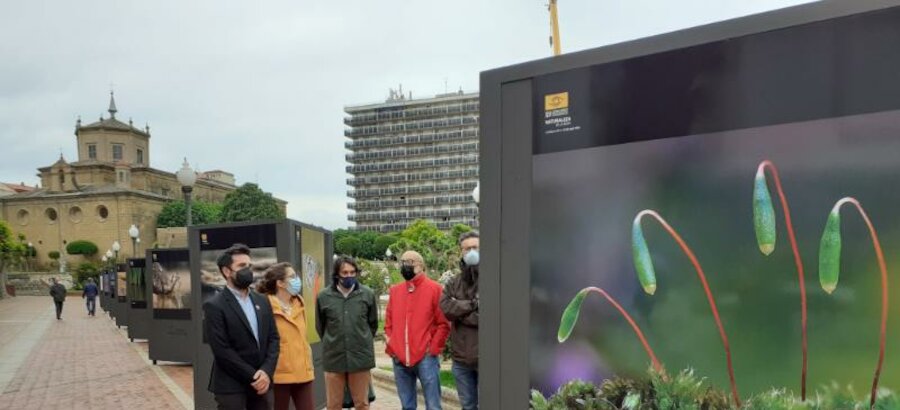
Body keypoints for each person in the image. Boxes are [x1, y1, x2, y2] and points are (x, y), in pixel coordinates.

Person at [203, 243, 280, 410]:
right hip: (231, 386)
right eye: (242, 266)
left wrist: (266, 372)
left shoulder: (262, 300)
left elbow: (273, 338)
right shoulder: (214, 305)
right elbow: (222, 350)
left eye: (249, 265)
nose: (248, 270)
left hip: (262, 383)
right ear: (226, 271)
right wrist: (253, 376)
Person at [385, 251, 451, 410]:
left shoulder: (435, 289)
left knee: (433, 406)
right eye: (402, 262)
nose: (404, 266)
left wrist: (433, 348)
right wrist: (392, 345)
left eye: (409, 262)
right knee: (407, 406)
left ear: (420, 265)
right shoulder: (395, 291)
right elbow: (388, 323)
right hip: (399, 358)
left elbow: (444, 323)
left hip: (425, 357)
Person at [316, 255, 378, 410]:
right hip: (334, 357)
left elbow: (373, 324)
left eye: (352, 272)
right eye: (345, 273)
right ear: (337, 274)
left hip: (360, 358)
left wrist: (360, 339)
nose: (349, 276)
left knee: (362, 403)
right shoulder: (324, 296)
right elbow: (320, 326)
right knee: (333, 404)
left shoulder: (367, 294)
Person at [256, 262, 315, 410]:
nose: (297, 280)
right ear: (280, 283)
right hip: (278, 375)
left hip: (303, 373)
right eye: (293, 276)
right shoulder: (265, 307)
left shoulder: (299, 304)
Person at [440, 232, 480, 410]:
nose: (471, 251)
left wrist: (460, 311)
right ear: (461, 251)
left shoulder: (494, 279)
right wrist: (473, 304)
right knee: (468, 406)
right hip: (461, 361)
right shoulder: (454, 282)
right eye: (467, 248)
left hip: (486, 358)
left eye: (475, 247)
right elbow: (446, 308)